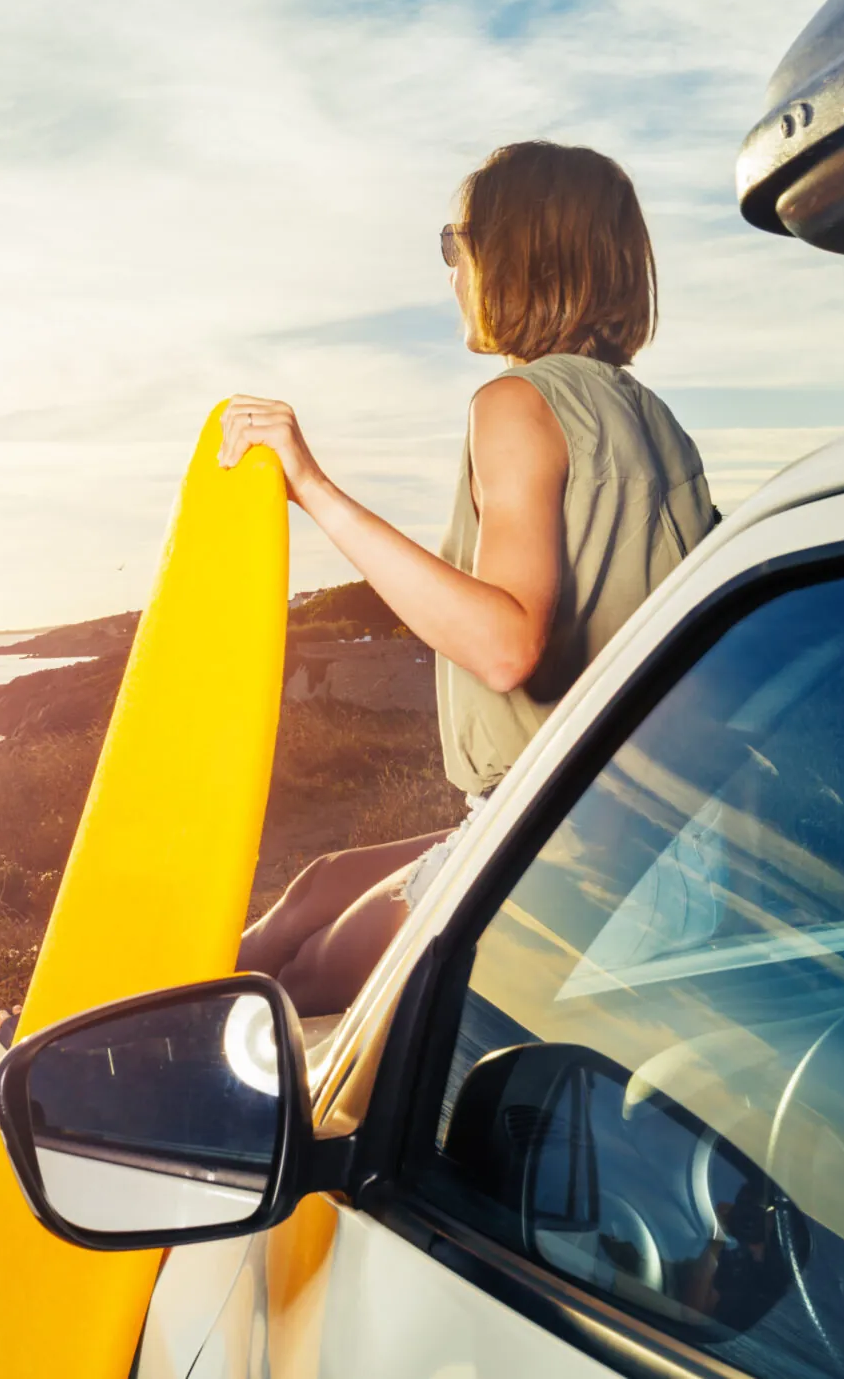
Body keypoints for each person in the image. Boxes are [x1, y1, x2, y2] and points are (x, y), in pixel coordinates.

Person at [225, 140, 715, 1016]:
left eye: (459, 243)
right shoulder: (658, 422)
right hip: (655, 839)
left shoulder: (517, 403)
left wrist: (313, 488)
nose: (452, 267)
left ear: (516, 256)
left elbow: (505, 644)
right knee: (316, 887)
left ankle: (93, 1063)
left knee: (298, 982)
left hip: (579, 859)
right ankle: (114, 1002)